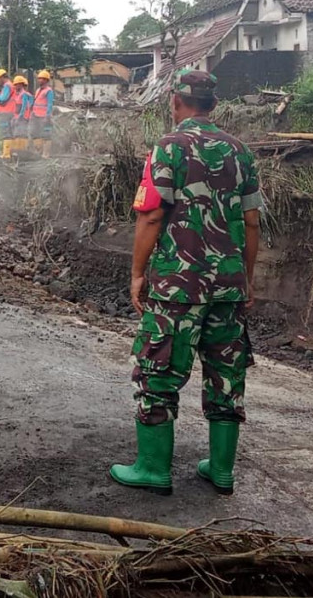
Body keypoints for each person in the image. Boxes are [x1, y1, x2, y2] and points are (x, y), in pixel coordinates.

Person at [111, 69, 262, 497]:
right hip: (228, 286)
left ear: (176, 102)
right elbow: (252, 222)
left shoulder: (168, 147)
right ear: (213, 105)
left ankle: (153, 468)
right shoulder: (240, 152)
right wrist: (246, 279)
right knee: (226, 375)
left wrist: (137, 274)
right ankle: (221, 470)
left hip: (178, 287)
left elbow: (151, 216)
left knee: (158, 371)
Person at [0, 69, 18, 159]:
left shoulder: (7, 86)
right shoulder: (10, 85)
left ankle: (6, 154)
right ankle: (11, 153)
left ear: (2, 77)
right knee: (9, 132)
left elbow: (3, 98)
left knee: (6, 133)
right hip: (9, 112)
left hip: (6, 112)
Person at [32, 70, 56, 159]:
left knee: (46, 135)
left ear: (46, 80)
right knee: (36, 134)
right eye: (39, 78)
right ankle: (38, 152)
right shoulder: (38, 90)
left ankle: (46, 154)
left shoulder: (49, 91)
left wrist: (47, 116)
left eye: (42, 79)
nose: (40, 80)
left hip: (45, 117)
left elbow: (49, 104)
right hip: (36, 116)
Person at [12, 74, 34, 153]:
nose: (15, 86)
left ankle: (22, 150)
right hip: (17, 116)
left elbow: (24, 106)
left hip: (23, 117)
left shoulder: (24, 94)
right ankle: (17, 149)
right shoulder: (18, 94)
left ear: (21, 84)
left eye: (16, 84)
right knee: (16, 133)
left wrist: (20, 116)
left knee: (21, 133)